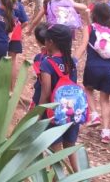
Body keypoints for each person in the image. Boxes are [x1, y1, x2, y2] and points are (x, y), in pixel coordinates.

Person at [38, 24, 81, 171]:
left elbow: (45, 93)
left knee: (55, 154)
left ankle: (57, 177)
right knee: (70, 146)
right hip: (72, 112)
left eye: (46, 39)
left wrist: (38, 116)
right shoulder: (71, 62)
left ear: (51, 42)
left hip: (55, 114)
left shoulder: (47, 63)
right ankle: (79, 176)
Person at [77, 3, 110, 144]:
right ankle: (106, 133)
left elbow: (83, 45)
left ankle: (94, 115)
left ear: (94, 15)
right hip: (109, 69)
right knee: (105, 100)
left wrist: (74, 60)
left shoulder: (89, 28)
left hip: (93, 67)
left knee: (88, 90)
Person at [29, 23, 49, 111]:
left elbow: (39, 76)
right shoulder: (62, 57)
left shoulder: (38, 58)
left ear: (37, 41)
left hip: (40, 95)